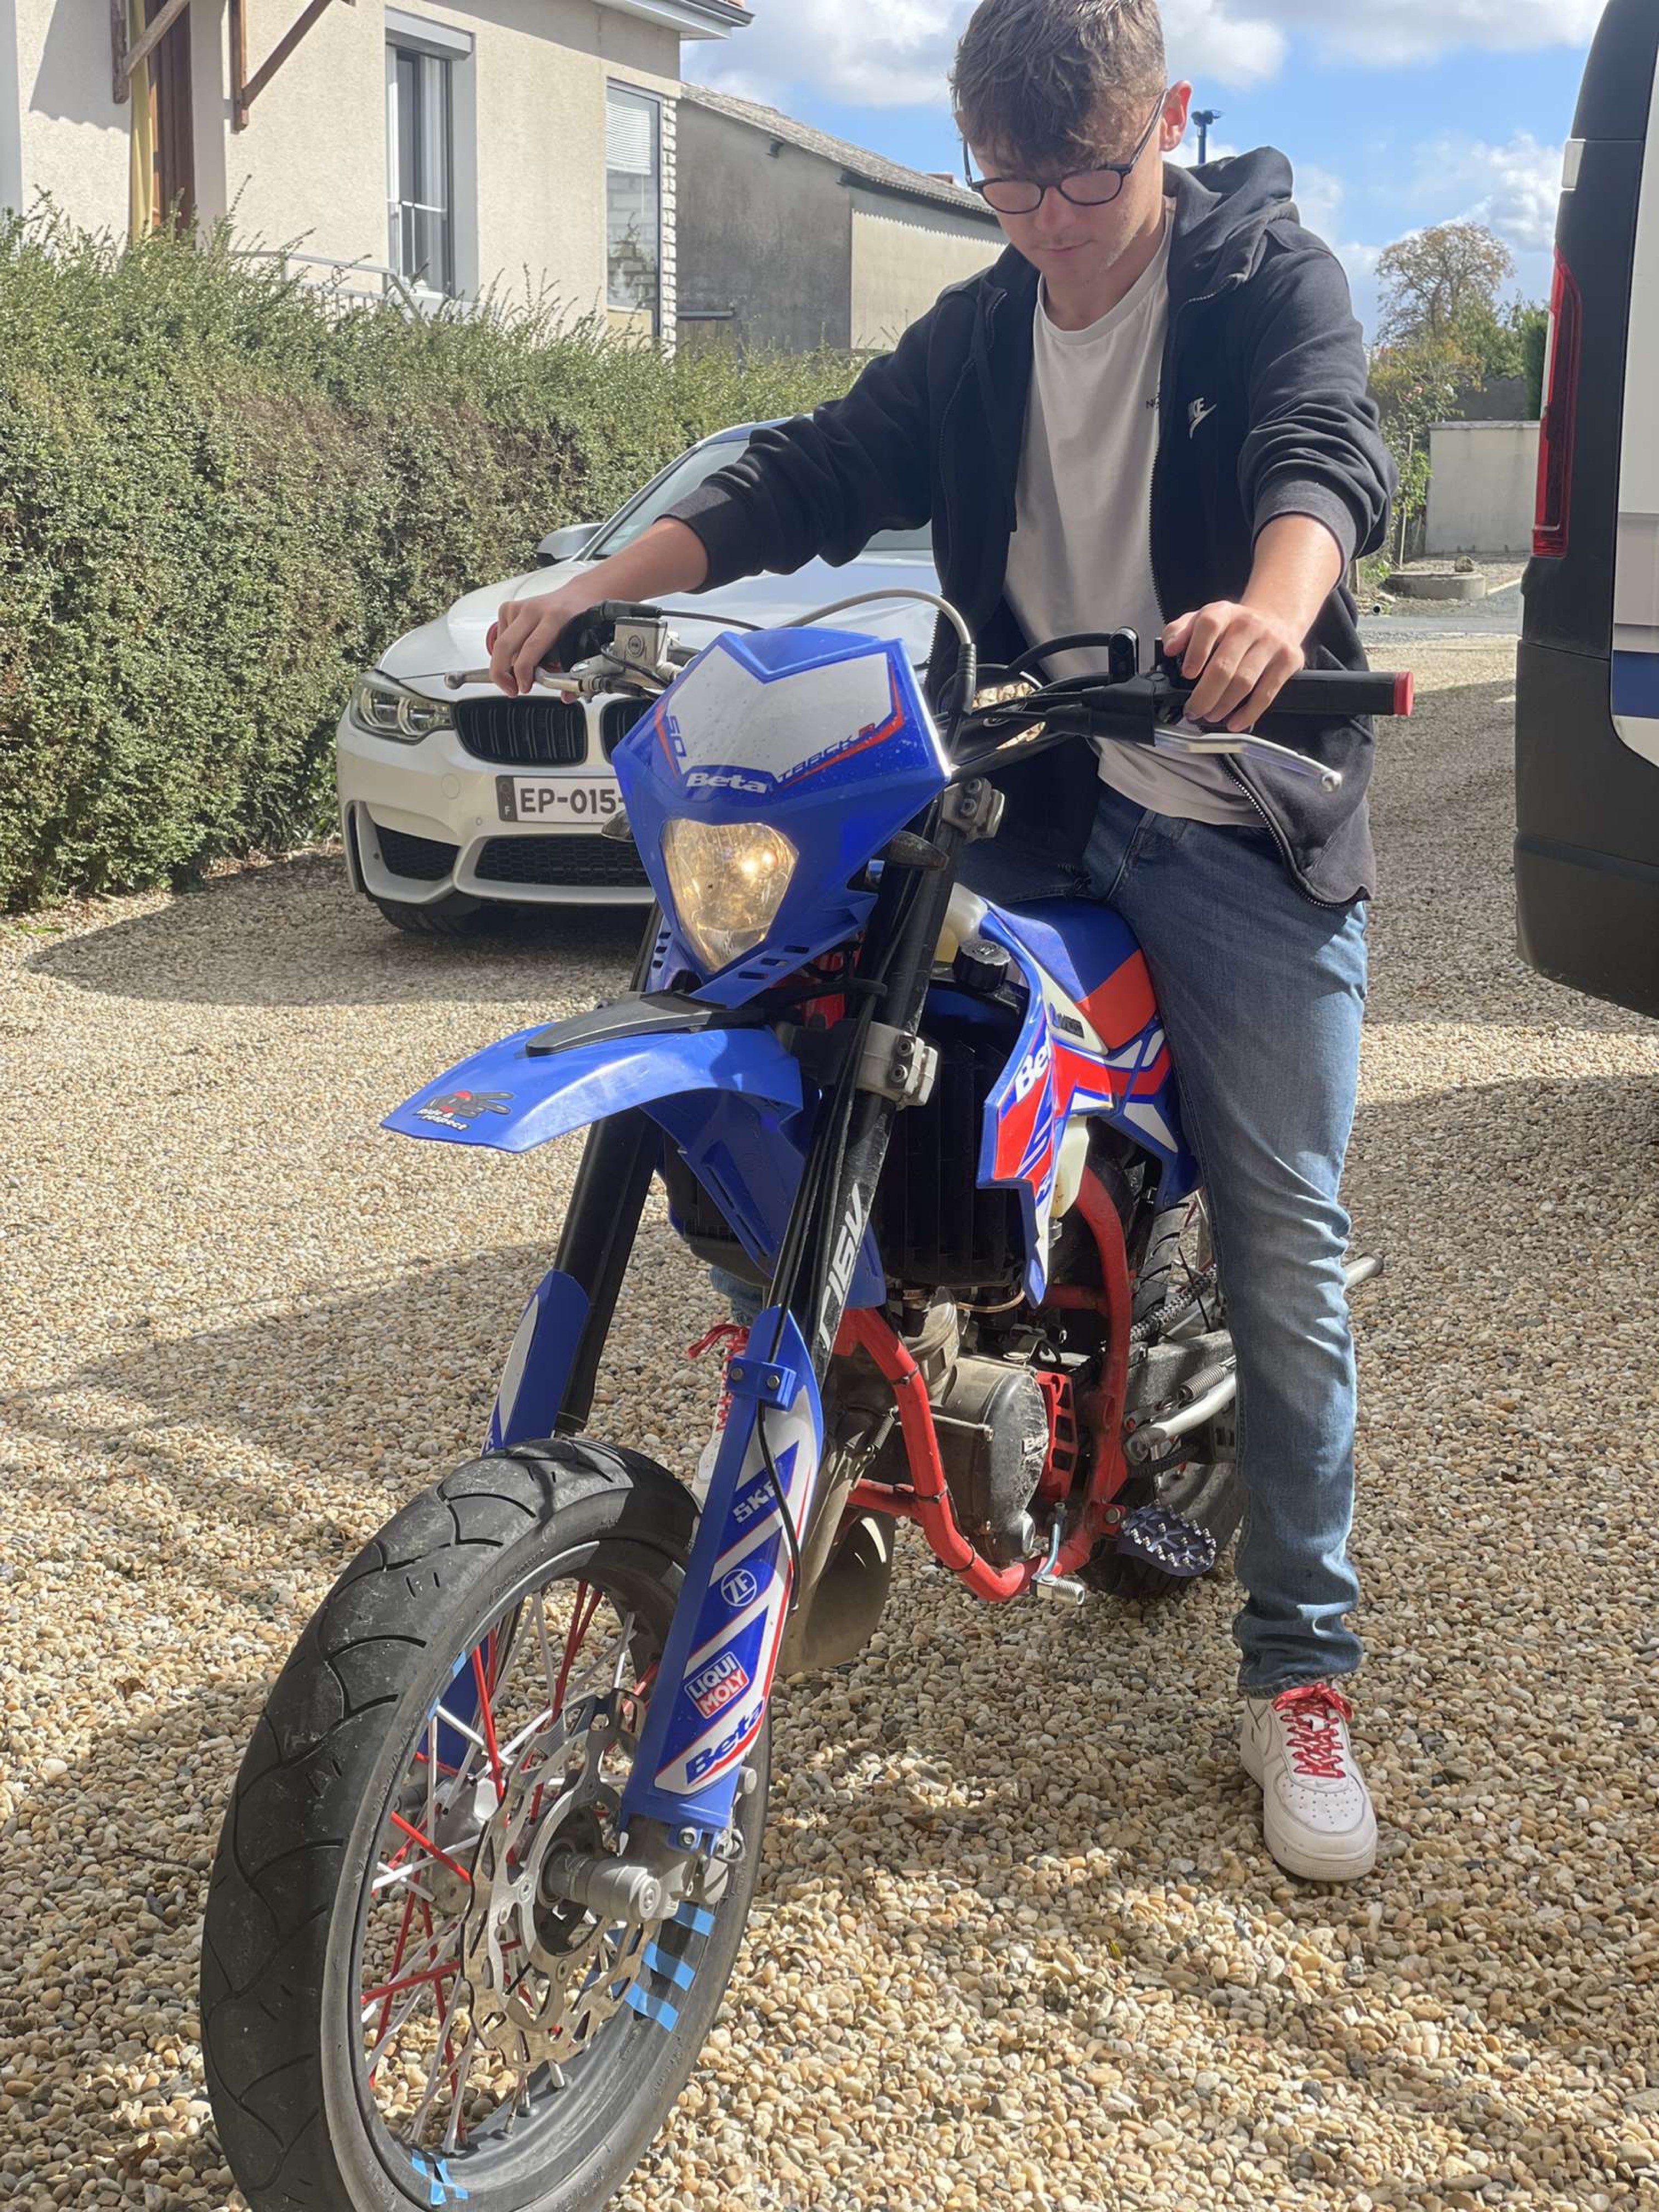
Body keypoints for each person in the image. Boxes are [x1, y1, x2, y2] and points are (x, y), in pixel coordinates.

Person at [489, 0, 1395, 1884]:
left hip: (1235, 800)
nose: (1050, 224)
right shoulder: (983, 328)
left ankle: (1301, 1669)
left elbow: (1323, 457)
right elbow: (812, 472)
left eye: (1087, 180)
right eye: (1007, 187)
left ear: (1168, 120)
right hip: (1035, 791)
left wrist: (1272, 605)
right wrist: (606, 579)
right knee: (808, 1044)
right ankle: (826, 1433)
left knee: (1288, 1234)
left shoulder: (1266, 280)